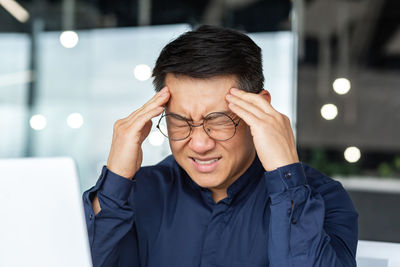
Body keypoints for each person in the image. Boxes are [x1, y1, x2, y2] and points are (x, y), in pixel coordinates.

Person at [82, 25, 358, 267]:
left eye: (219, 120)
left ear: (259, 109)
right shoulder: (139, 193)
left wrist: (285, 173)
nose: (200, 144)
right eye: (180, 121)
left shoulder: (322, 198)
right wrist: (116, 178)